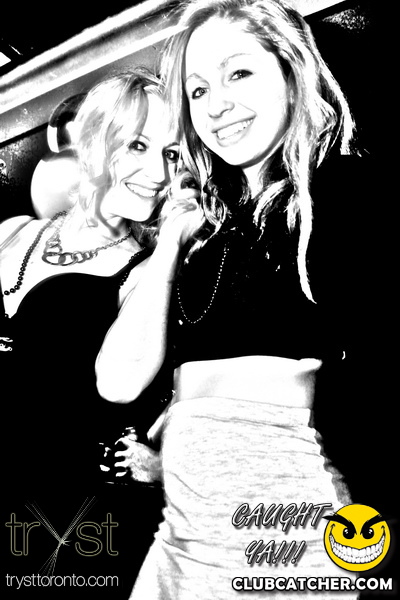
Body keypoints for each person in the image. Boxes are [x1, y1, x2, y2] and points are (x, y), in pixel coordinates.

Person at [95, 1, 382, 598]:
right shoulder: (210, 236)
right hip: (185, 528)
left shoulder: (342, 198)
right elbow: (118, 381)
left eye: (239, 73)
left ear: (292, 72)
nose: (215, 105)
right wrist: (170, 244)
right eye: (198, 90)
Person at [0, 68, 183, 598]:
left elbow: (121, 386)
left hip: (60, 527)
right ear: (95, 140)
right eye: (138, 145)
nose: (158, 172)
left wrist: (171, 241)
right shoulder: (12, 233)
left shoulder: (145, 273)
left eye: (172, 155)